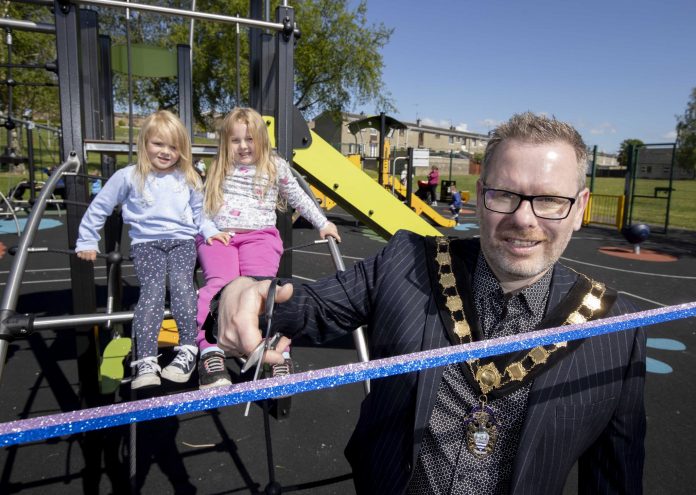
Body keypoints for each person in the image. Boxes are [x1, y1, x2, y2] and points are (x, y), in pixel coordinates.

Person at [211, 112, 646, 494]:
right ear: (480, 195)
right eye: (504, 194)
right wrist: (242, 293)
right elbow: (310, 307)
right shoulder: (409, 262)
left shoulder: (614, 331)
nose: (524, 218)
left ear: (580, 207)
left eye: (551, 200)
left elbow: (614, 480)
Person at [195, 107, 340, 389]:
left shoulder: (274, 166)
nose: (243, 146)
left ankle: (278, 351)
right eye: (235, 140)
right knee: (218, 286)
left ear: (262, 139)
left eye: (250, 139)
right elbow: (202, 206)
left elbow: (299, 197)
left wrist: (322, 223)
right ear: (226, 143)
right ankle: (209, 350)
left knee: (265, 291)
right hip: (220, 237)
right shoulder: (219, 167)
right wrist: (209, 231)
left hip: (260, 237)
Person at [75, 110, 206, 390]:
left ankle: (187, 349)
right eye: (158, 144)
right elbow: (100, 207)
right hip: (147, 244)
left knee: (183, 287)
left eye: (173, 147)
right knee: (153, 291)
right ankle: (146, 360)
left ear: (182, 150)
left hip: (182, 241)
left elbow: (201, 213)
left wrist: (212, 232)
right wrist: (87, 240)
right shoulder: (129, 176)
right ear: (144, 143)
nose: (166, 152)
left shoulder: (188, 177)